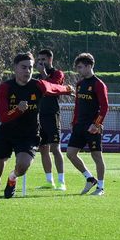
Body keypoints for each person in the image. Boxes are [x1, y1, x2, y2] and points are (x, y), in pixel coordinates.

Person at [0, 52, 74, 212]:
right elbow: (3, 117)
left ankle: (12, 177)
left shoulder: (38, 85)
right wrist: (18, 110)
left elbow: (53, 87)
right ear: (15, 68)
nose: (27, 71)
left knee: (24, 165)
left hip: (29, 134)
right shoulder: (5, 87)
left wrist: (67, 89)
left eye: (30, 68)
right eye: (24, 67)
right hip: (6, 133)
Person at [65, 53, 110, 196]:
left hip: (92, 127)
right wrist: (74, 121)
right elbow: (77, 105)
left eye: (80, 67)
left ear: (89, 66)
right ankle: (90, 178)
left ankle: (101, 187)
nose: (78, 70)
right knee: (70, 154)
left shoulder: (98, 84)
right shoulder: (79, 84)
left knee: (97, 156)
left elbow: (104, 107)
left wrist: (96, 124)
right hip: (79, 126)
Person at [36, 48, 67, 190]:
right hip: (39, 115)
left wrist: (43, 73)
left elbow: (52, 88)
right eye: (39, 60)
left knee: (55, 148)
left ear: (50, 60)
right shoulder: (36, 76)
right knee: (43, 148)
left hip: (52, 114)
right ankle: (49, 181)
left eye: (43, 59)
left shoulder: (58, 74)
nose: (41, 62)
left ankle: (61, 181)